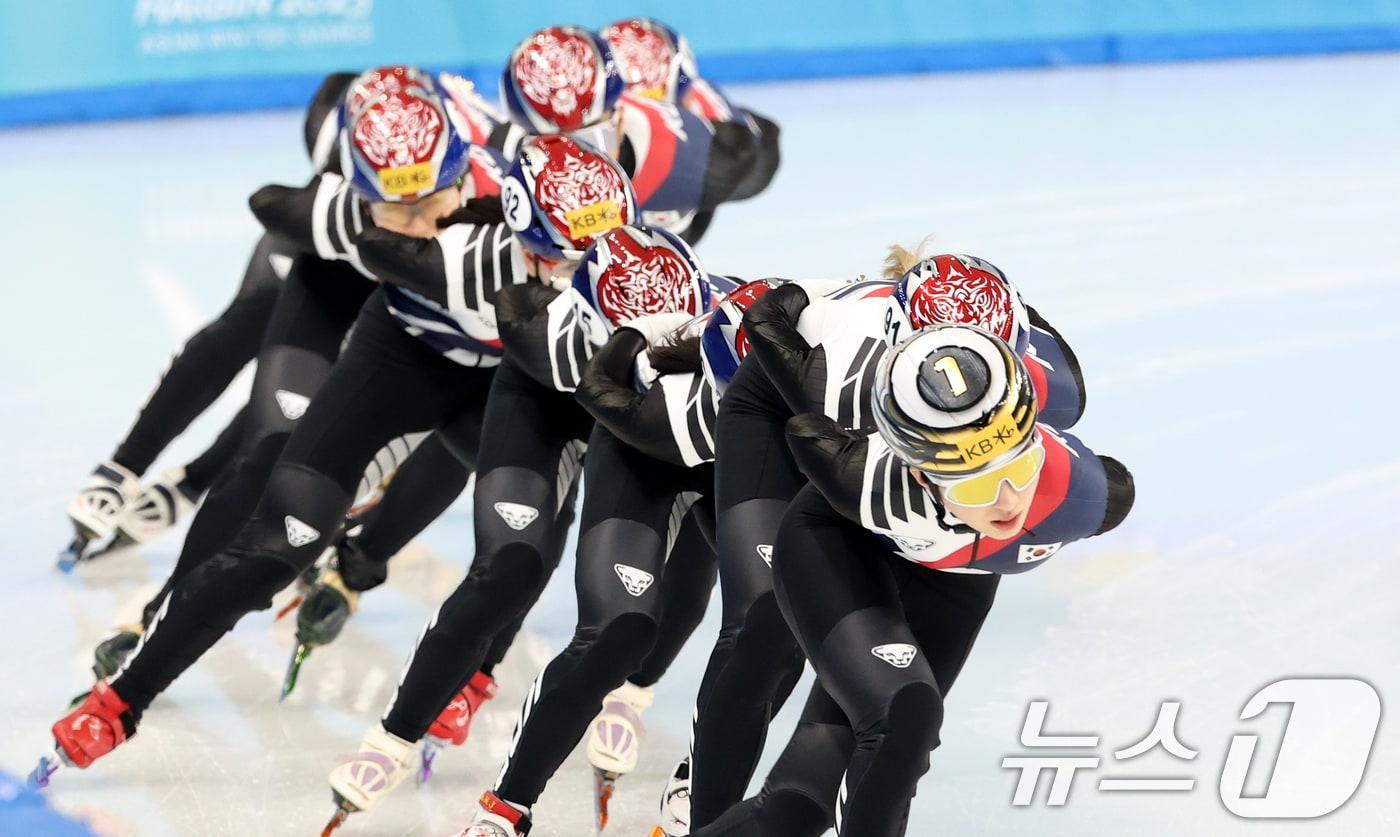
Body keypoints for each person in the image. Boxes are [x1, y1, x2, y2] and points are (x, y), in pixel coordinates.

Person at [33, 76, 531, 786]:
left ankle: (463, 660)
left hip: (493, 375)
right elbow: (270, 204)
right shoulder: (344, 214)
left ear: (465, 175)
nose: (421, 225)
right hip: (394, 344)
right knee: (275, 481)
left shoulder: (520, 207)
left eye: (435, 207)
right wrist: (356, 233)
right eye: (400, 213)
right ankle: (141, 662)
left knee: (530, 509)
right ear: (358, 195)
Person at [684, 250, 1086, 834]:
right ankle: (701, 816)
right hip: (794, 419)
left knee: (884, 728)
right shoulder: (843, 377)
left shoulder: (1054, 388)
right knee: (767, 623)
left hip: (927, 482)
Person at [736, 324, 1134, 837]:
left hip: (956, 579)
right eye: (980, 484)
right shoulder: (862, 482)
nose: (1010, 501)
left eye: (1021, 465)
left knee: (797, 809)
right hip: (839, 543)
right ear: (922, 475)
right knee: (905, 715)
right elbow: (798, 417)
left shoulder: (1083, 493)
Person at [456, 248, 729, 837]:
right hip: (643, 444)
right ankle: (505, 807)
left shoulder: (837, 387)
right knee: (617, 630)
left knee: (766, 627)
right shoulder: (643, 385)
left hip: (738, 468)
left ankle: (692, 776)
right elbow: (592, 389)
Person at [503, 24, 780, 243]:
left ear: (620, 117)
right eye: (550, 146)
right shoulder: (500, 153)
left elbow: (759, 154)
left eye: (593, 141)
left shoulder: (697, 160)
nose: (576, 161)